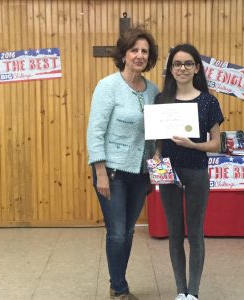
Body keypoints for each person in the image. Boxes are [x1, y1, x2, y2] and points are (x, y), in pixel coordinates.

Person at [86, 27, 159, 300]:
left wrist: (156, 162)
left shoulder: (153, 90)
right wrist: (100, 173)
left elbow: (155, 132)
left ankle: (118, 282)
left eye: (144, 51)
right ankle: (119, 289)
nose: (139, 55)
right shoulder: (108, 86)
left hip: (140, 173)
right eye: (134, 50)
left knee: (128, 232)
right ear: (124, 54)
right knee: (117, 233)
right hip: (112, 172)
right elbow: (95, 131)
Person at [153, 44, 224, 300]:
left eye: (187, 63)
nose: (182, 68)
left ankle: (193, 293)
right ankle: (179, 290)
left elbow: (216, 143)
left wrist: (193, 145)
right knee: (174, 233)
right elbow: (157, 142)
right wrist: (157, 153)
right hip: (168, 173)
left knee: (195, 233)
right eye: (176, 64)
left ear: (196, 68)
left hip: (196, 172)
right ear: (170, 69)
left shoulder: (208, 101)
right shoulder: (161, 100)